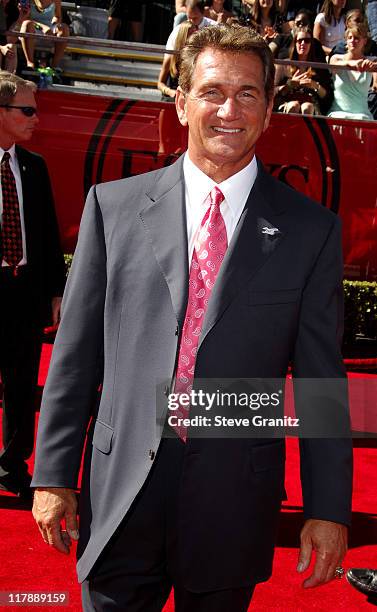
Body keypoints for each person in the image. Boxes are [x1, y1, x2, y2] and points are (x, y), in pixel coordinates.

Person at [32, 24, 352, 612]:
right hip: (120, 490)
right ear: (181, 103)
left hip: (234, 496)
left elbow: (319, 384)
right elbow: (75, 358)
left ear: (269, 109)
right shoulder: (113, 207)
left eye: (248, 94)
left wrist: (328, 509)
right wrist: (52, 475)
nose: (229, 109)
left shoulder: (311, 231)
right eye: (211, 91)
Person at [0, 71, 65, 499]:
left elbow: (48, 235)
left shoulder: (34, 167)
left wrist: (58, 292)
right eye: (27, 110)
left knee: (23, 383)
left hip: (24, 292)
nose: (35, 118)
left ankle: (13, 467)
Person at [274, 25, 333, 114]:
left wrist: (315, 86)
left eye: (307, 41)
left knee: (307, 107)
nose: (303, 43)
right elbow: (272, 91)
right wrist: (289, 85)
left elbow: (328, 97)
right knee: (293, 106)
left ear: (311, 44)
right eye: (300, 40)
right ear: (295, 43)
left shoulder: (317, 66)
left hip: (311, 105)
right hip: (287, 103)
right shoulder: (284, 65)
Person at [328, 23, 377, 119]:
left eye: (356, 38)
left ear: (364, 41)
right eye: (350, 38)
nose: (352, 41)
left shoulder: (371, 60)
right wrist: (350, 63)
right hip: (337, 114)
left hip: (362, 116)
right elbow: (333, 66)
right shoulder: (336, 58)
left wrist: (372, 67)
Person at [19, 0, 70, 70]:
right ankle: (30, 63)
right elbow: (24, 18)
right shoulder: (26, 1)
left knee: (64, 28)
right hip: (31, 28)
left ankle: (54, 65)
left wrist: (54, 25)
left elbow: (57, 16)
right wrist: (42, 27)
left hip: (49, 28)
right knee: (27, 24)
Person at [157, 21, 196, 99]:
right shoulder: (171, 58)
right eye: (190, 34)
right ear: (183, 36)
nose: (194, 38)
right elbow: (160, 83)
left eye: (195, 34)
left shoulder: (197, 58)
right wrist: (170, 91)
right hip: (171, 99)